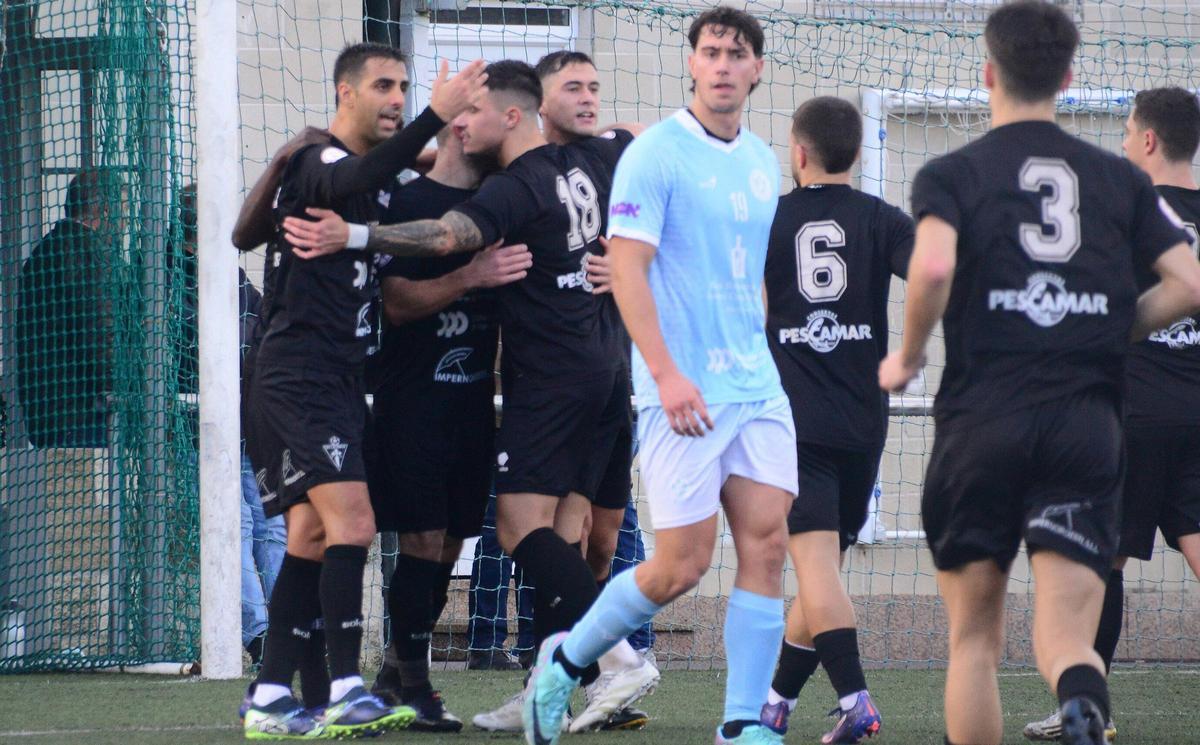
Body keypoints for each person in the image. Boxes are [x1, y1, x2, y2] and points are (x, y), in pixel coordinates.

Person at [282, 59, 658, 734]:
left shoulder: (514, 185)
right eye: (572, 89)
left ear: (510, 117)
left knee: (528, 532)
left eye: (472, 109)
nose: (459, 118)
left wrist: (354, 234)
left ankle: (611, 658)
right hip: (473, 389)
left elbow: (450, 235)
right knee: (526, 537)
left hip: (549, 381)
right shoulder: (587, 160)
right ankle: (523, 682)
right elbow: (641, 134)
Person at [876, 4, 1200, 745]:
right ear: (1068, 78)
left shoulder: (952, 172)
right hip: (1083, 430)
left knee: (974, 642)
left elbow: (932, 265)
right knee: (1065, 640)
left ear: (989, 73)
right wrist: (1111, 328)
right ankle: (1082, 699)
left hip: (981, 425)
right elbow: (1189, 282)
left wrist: (909, 354)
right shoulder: (1118, 178)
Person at [520, 8, 796, 745]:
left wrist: (759, 344)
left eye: (737, 53)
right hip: (682, 392)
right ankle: (565, 663)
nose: (723, 64)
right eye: (711, 52)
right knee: (680, 565)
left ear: (756, 69)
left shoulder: (762, 160)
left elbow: (751, 272)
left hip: (756, 388)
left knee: (768, 546)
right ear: (692, 63)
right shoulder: (656, 153)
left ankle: (742, 723)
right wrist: (667, 375)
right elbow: (628, 268)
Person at [241, 42, 485, 739]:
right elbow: (357, 169)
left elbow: (410, 174)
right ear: (345, 92)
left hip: (341, 378)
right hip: (297, 375)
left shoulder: (379, 180)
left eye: (405, 87)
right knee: (354, 522)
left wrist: (473, 135)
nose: (397, 99)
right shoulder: (319, 160)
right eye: (383, 85)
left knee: (312, 534)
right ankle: (348, 688)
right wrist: (435, 114)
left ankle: (270, 695)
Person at [1024, 86, 1200, 745]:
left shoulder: (1127, 208)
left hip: (1133, 411)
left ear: (1148, 140)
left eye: (1127, 130)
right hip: (1196, 410)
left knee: (1103, 561)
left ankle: (1088, 705)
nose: (1123, 142)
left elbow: (1095, 307)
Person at [364, 123, 531, 731]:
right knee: (422, 539)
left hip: (474, 406)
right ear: (463, 125)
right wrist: (470, 275)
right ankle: (415, 686)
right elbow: (397, 303)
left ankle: (393, 674)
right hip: (414, 401)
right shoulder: (410, 201)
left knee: (453, 544)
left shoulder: (500, 198)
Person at [762, 96, 913, 743]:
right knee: (821, 572)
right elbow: (938, 270)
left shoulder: (769, 219)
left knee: (817, 571)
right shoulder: (881, 218)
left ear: (798, 153)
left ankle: (855, 699)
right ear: (855, 153)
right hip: (863, 422)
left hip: (795, 423)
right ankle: (774, 705)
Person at [534, 48, 656, 733]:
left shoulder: (614, 151)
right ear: (538, 101)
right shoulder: (530, 168)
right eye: (572, 87)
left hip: (617, 374)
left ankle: (585, 676)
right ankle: (564, 676)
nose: (587, 97)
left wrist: (630, 267)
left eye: (593, 87)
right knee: (565, 534)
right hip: (564, 377)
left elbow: (648, 135)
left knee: (604, 541)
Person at [17, 169, 126, 448]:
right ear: (106, 209)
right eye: (124, 211)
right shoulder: (90, 255)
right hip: (84, 416)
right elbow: (102, 335)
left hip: (49, 414)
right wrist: (128, 388)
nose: (125, 223)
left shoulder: (46, 251)